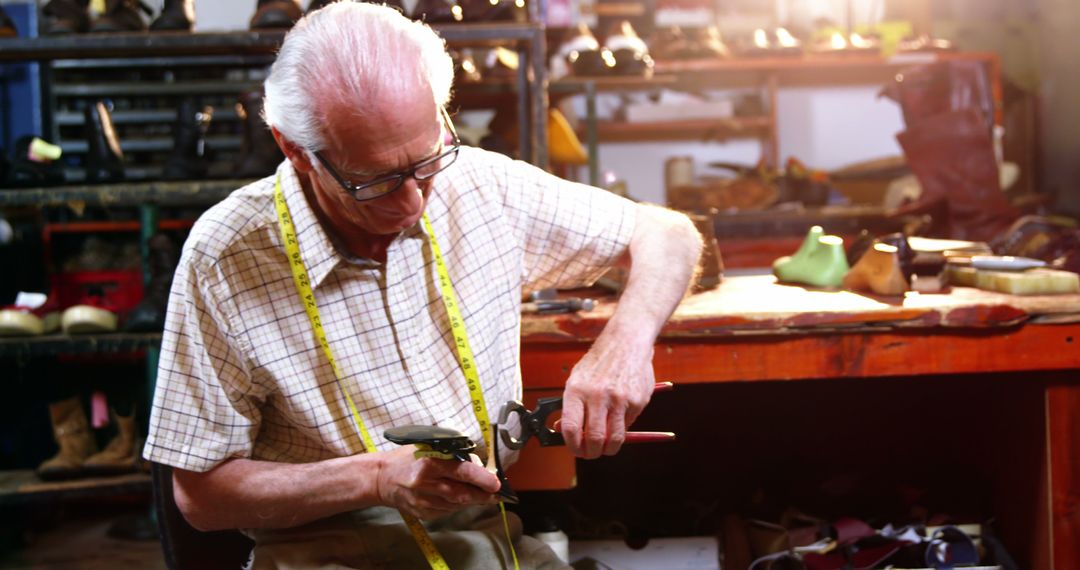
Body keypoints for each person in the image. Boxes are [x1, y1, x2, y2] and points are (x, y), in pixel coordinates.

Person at [142, 2, 701, 568]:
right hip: (320, 550)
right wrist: (377, 477)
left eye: (426, 161)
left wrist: (624, 345)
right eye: (376, 180)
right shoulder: (226, 256)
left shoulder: (481, 186)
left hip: (485, 535)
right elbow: (201, 497)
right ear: (295, 150)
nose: (412, 202)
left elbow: (669, 234)